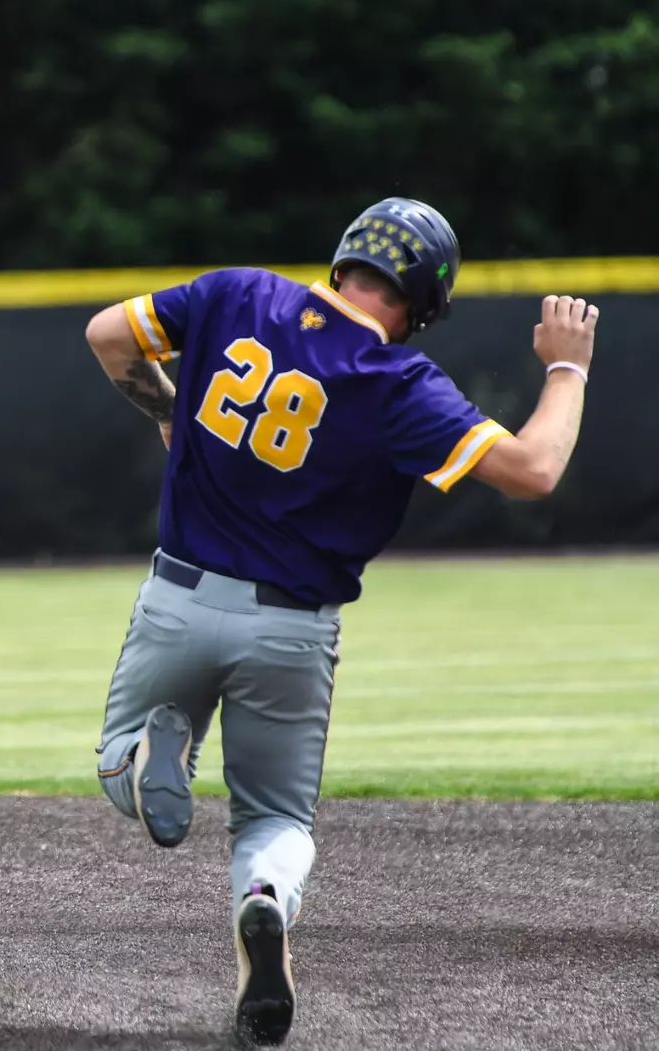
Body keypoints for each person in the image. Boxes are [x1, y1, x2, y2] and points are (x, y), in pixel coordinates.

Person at [82, 197, 598, 1045]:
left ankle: (147, 757)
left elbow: (109, 335)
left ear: (344, 256)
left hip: (177, 597)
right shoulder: (398, 385)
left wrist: (170, 413)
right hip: (291, 630)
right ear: (425, 300)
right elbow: (534, 470)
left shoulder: (236, 292)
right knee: (276, 822)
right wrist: (566, 369)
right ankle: (262, 902)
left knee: (116, 774)